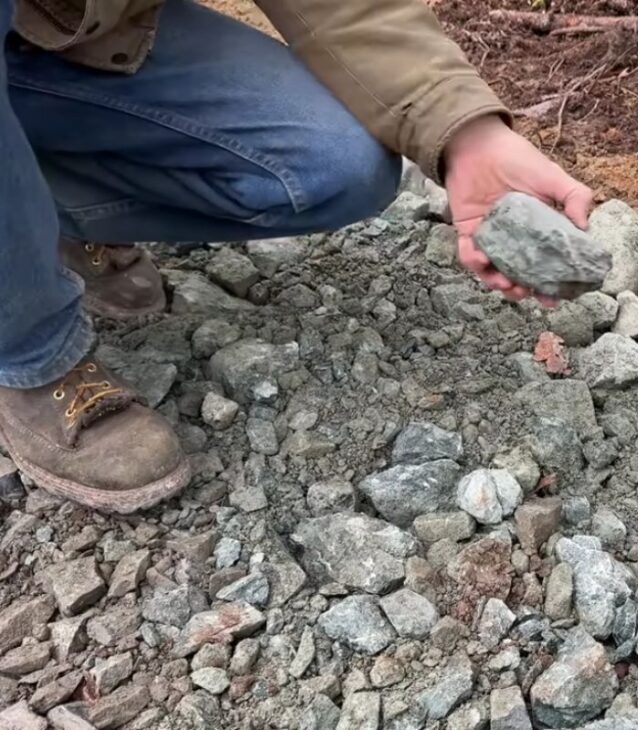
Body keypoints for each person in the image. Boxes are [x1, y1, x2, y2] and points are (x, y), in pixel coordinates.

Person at [0, 0, 593, 513]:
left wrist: (467, 133)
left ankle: (36, 214)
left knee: (335, 163)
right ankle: (28, 352)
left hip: (60, 35)